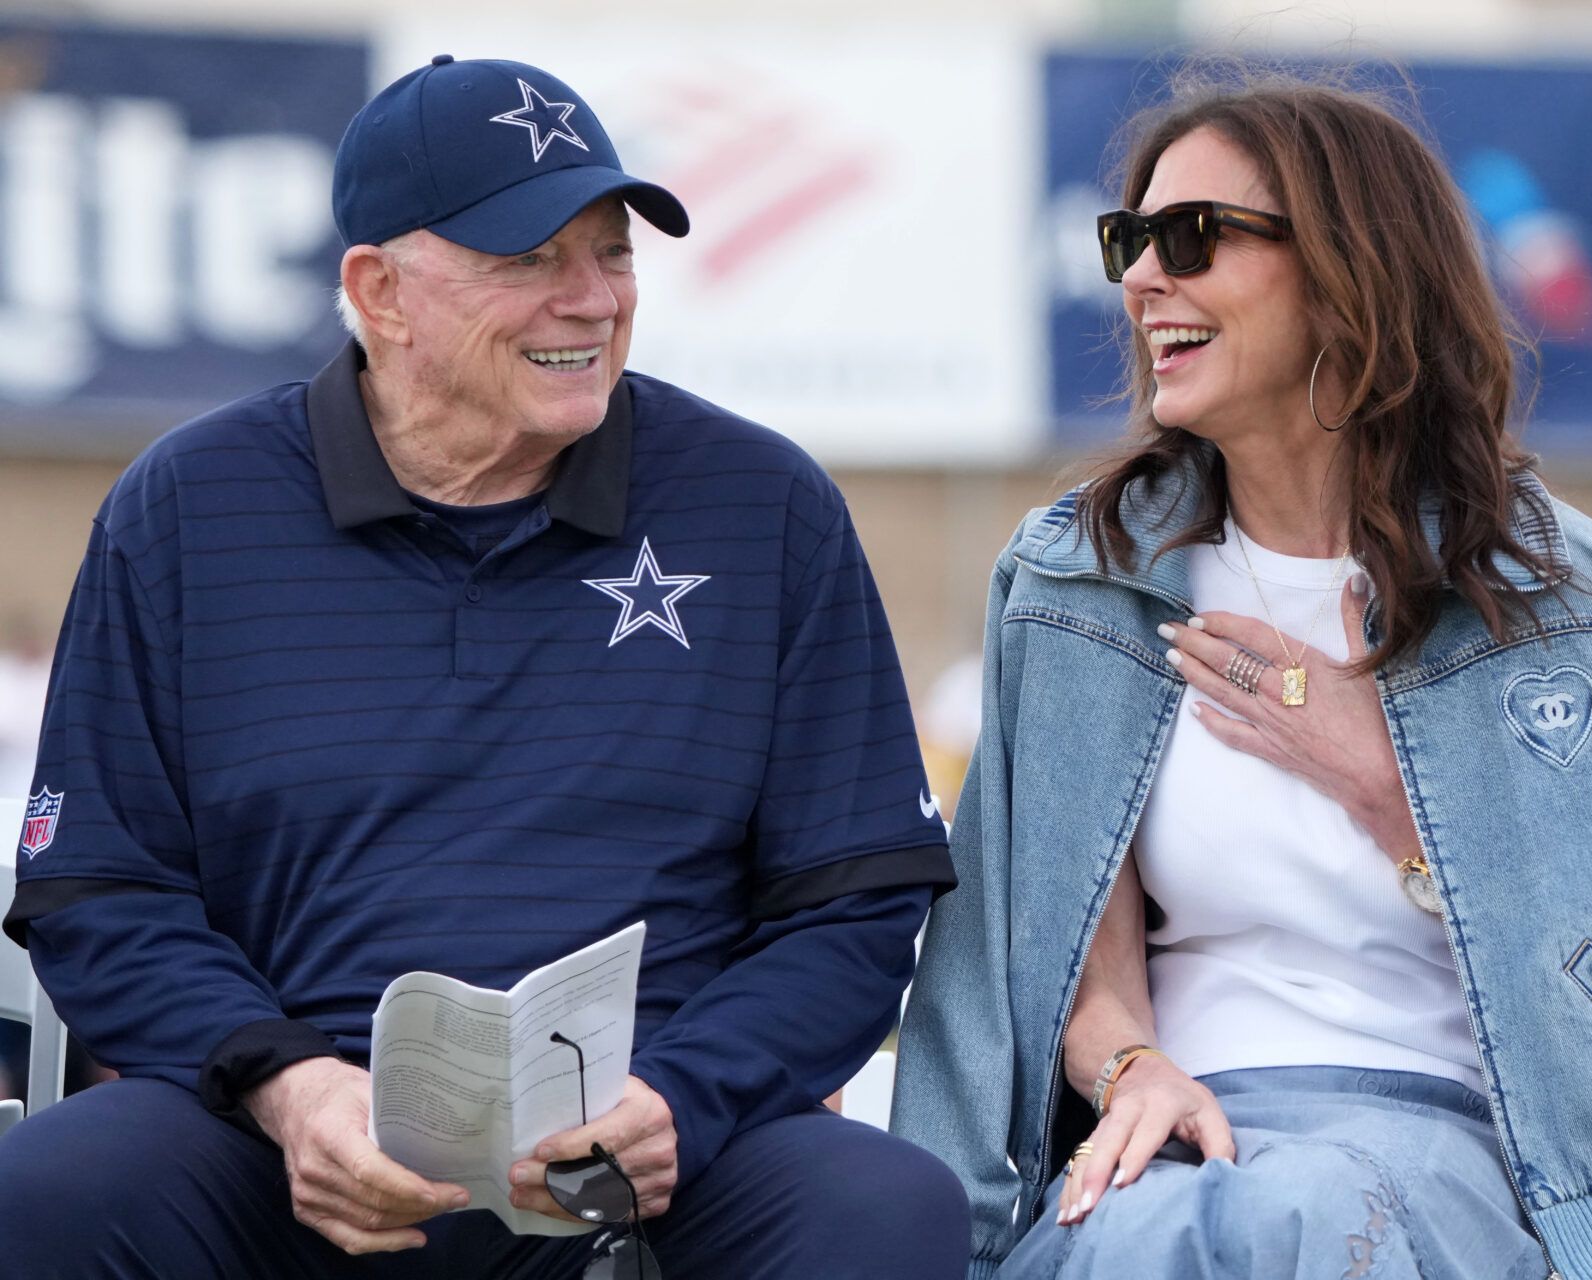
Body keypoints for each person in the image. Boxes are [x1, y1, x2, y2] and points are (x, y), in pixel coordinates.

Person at [0, 55, 966, 1280]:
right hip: (278, 1140)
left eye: (611, 253)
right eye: (527, 261)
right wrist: (291, 1086)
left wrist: (684, 1095)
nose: (591, 300)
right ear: (381, 290)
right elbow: (98, 890)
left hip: (655, 1145)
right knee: (45, 1192)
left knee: (882, 1207)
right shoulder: (187, 507)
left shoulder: (763, 505)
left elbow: (857, 898)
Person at [890, 72, 1592, 1280]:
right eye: (1130, 239)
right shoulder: (1080, 583)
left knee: (1299, 1219)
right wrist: (1127, 1066)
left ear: (1349, 274)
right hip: (1178, 1141)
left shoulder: (1572, 604)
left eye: (1193, 237)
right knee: (1156, 1234)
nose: (1139, 279)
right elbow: (1020, 948)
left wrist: (1399, 791)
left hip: (1466, 1157)